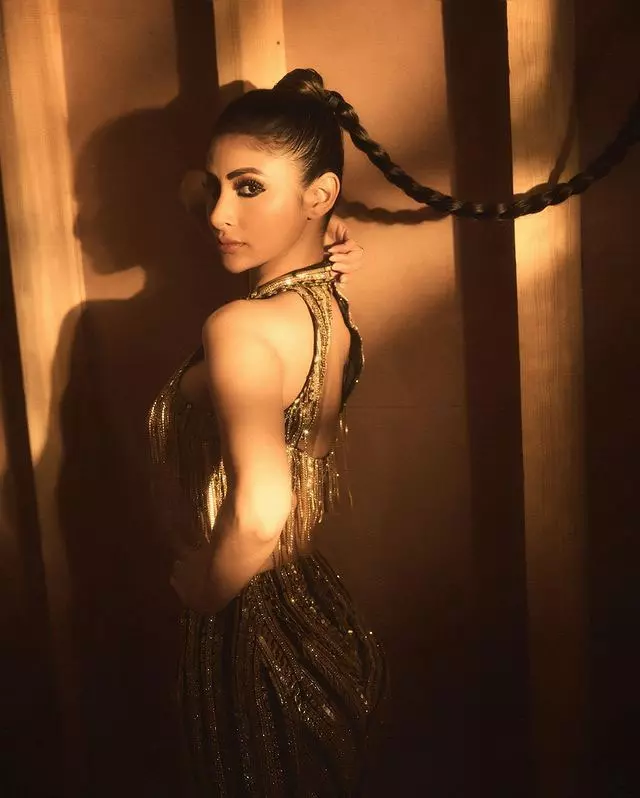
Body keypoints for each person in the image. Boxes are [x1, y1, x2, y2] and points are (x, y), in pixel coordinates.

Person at [147, 68, 388, 797]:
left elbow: (260, 512)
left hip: (249, 630)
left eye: (248, 189)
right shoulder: (330, 302)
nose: (219, 213)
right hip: (316, 611)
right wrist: (308, 213)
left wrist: (202, 593)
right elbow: (202, 191)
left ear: (320, 194)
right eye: (215, 187)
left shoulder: (241, 327)